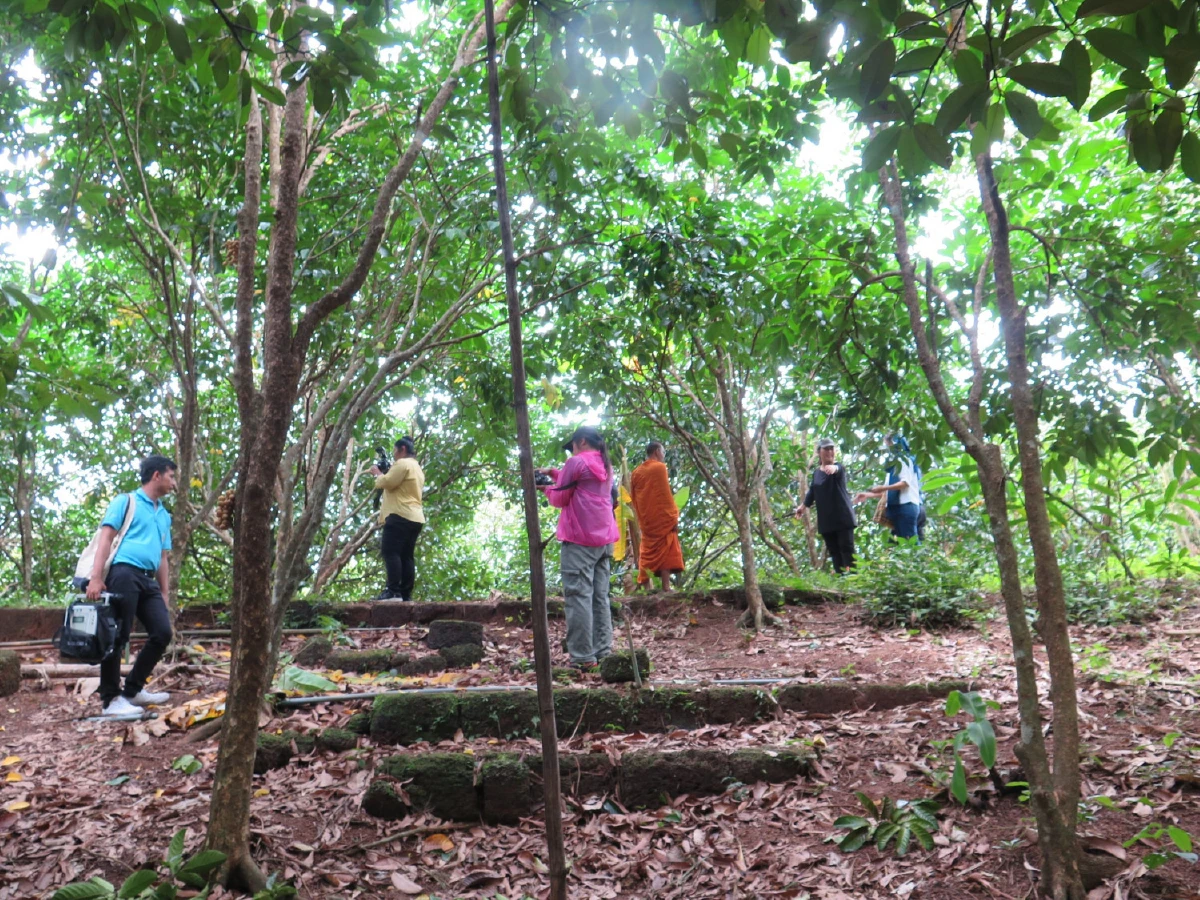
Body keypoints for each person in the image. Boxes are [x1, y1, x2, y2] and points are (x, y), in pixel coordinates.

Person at [87, 455, 178, 717]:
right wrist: (96, 577)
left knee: (162, 633)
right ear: (157, 475)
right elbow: (105, 539)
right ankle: (110, 700)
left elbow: (162, 556)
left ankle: (133, 691)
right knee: (118, 634)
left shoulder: (163, 515)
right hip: (123, 573)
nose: (174, 483)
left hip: (147, 578)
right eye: (171, 476)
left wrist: (163, 592)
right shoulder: (126, 502)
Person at [537, 426, 619, 670]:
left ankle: (583, 657)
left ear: (581, 441)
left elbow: (561, 498)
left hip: (580, 539)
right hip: (604, 540)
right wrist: (553, 473)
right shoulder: (606, 464)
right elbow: (580, 485)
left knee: (578, 597)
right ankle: (603, 652)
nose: (570, 451)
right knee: (599, 597)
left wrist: (545, 489)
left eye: (572, 445)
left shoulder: (576, 462)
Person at [370, 436, 425, 601]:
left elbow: (386, 482)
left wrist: (377, 474)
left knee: (390, 551)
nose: (393, 455)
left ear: (402, 449)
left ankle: (393, 591)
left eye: (395, 451)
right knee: (406, 555)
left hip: (400, 514)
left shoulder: (403, 464)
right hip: (415, 517)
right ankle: (405, 593)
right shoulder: (417, 468)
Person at [795, 438, 857, 574]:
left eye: (831, 448)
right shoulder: (817, 473)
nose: (830, 451)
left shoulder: (839, 467)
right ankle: (842, 582)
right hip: (827, 520)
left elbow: (838, 469)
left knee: (847, 550)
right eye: (826, 449)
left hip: (843, 517)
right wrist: (802, 507)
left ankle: (855, 582)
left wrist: (833, 468)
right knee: (835, 553)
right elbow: (812, 491)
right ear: (819, 452)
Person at [629, 441, 685, 592]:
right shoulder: (659, 468)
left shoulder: (636, 473)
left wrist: (642, 517)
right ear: (656, 452)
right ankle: (666, 587)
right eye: (663, 452)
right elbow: (664, 495)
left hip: (647, 519)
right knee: (667, 547)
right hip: (662, 518)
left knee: (647, 551)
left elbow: (635, 498)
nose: (664, 456)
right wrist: (673, 516)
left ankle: (646, 588)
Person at [855, 433, 922, 541]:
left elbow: (904, 484)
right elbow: (888, 492)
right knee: (900, 543)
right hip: (896, 507)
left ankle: (918, 558)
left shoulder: (904, 460)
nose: (888, 449)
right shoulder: (893, 466)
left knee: (910, 542)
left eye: (889, 445)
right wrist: (868, 495)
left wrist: (882, 488)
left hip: (906, 506)